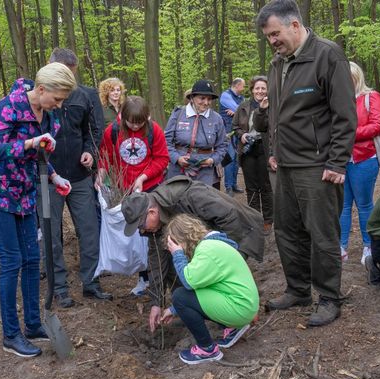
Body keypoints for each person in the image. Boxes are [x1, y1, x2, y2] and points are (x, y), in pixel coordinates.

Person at [256, 0, 356, 326]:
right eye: (268, 37)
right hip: (285, 164)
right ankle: (298, 289)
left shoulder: (328, 55)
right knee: (287, 231)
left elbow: (345, 115)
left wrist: (337, 163)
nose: (272, 41)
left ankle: (329, 297)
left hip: (318, 164)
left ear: (295, 25)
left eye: (275, 33)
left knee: (322, 233)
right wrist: (274, 148)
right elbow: (277, 113)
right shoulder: (277, 63)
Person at [0, 63, 76, 357]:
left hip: (25, 192)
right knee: (12, 260)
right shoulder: (11, 106)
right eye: (57, 98)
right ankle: (11, 335)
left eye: (63, 100)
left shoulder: (49, 115)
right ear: (41, 89)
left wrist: (54, 176)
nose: (59, 105)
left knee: (32, 258)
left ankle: (32, 324)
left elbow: (40, 154)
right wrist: (30, 142)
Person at [120, 175, 264, 332]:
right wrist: (157, 302)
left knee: (218, 277)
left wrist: (221, 255)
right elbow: (157, 262)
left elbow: (230, 217)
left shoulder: (190, 196)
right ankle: (194, 311)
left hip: (240, 232)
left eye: (140, 225)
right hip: (207, 244)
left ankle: (240, 315)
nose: (141, 231)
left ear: (152, 212)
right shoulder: (155, 224)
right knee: (176, 263)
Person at [40, 48, 109, 306]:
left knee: (89, 230)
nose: (68, 79)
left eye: (71, 73)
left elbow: (94, 130)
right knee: (51, 235)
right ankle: (58, 287)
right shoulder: (41, 96)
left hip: (80, 176)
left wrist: (90, 152)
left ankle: (91, 282)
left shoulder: (86, 95)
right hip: (49, 176)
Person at [159, 214, 259, 364]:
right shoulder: (212, 244)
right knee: (185, 297)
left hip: (240, 308)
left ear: (181, 240)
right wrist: (174, 310)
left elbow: (188, 282)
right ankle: (233, 327)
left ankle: (207, 349)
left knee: (180, 296)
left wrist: (177, 255)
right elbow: (201, 287)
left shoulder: (207, 250)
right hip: (244, 304)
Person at [96, 96, 169, 296]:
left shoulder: (154, 131)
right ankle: (143, 278)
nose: (135, 127)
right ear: (123, 117)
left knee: (153, 233)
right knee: (137, 234)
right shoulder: (112, 131)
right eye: (131, 123)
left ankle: (160, 279)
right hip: (126, 191)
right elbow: (106, 157)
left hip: (151, 188)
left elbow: (162, 159)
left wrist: (144, 177)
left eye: (140, 123)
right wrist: (101, 174)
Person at [339, 62, 380, 266]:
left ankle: (369, 245)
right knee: (342, 205)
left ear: (356, 77)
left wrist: (349, 134)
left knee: (364, 204)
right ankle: (341, 246)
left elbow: (377, 126)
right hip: (340, 160)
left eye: (348, 77)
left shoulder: (371, 97)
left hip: (364, 158)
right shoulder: (337, 99)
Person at [164, 79, 228, 186]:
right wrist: (177, 158)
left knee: (201, 196)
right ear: (192, 98)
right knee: (178, 196)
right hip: (178, 170)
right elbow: (166, 141)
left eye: (209, 99)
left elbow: (222, 145)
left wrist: (212, 160)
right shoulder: (178, 114)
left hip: (205, 172)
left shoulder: (217, 119)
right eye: (202, 98)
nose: (206, 102)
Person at [232, 76, 273, 232]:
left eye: (263, 88)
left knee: (266, 186)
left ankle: (268, 220)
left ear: (267, 90)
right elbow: (235, 126)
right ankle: (254, 218)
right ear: (252, 90)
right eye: (257, 88)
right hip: (248, 150)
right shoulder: (243, 107)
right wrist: (242, 135)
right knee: (251, 187)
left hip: (265, 150)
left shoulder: (272, 106)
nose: (260, 91)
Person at [219, 78, 245, 196]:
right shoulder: (226, 95)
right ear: (237, 85)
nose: (244, 88)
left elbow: (244, 112)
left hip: (238, 131)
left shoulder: (241, 98)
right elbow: (242, 110)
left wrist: (236, 112)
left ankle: (234, 184)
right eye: (243, 86)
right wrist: (238, 111)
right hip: (227, 133)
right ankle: (228, 186)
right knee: (229, 158)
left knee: (237, 159)